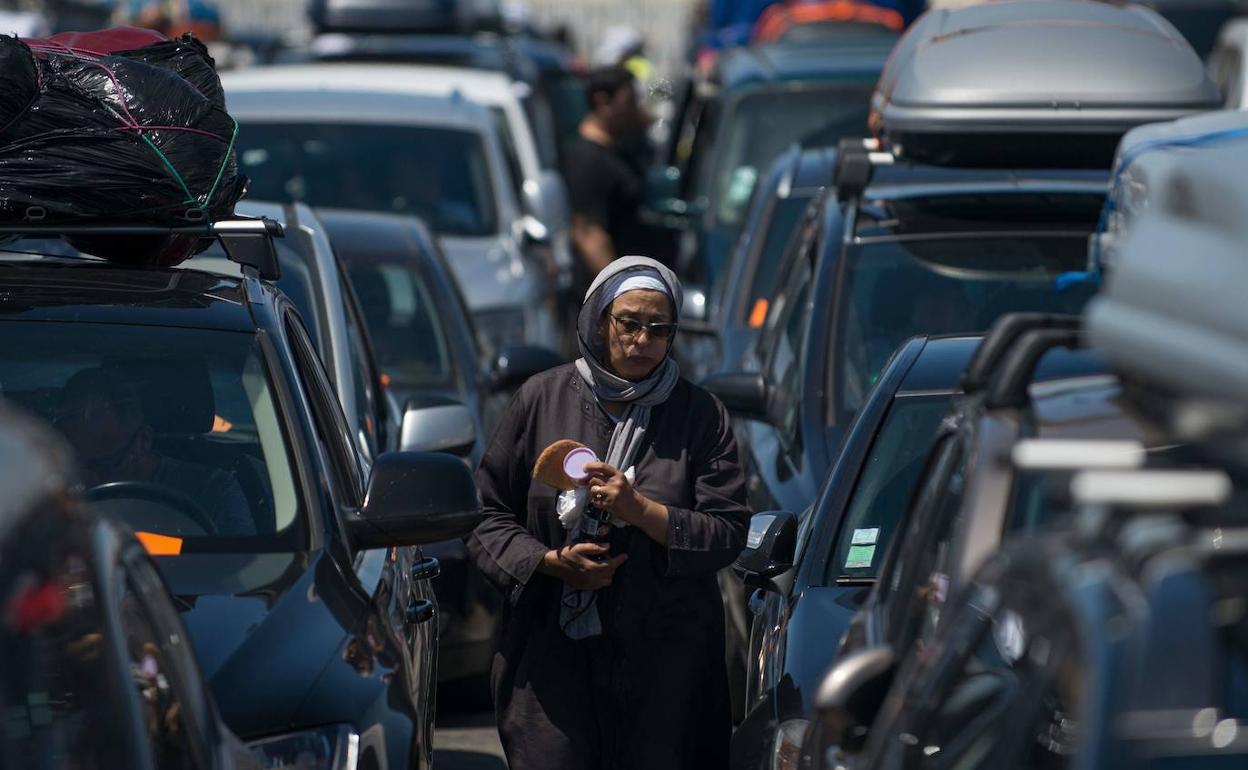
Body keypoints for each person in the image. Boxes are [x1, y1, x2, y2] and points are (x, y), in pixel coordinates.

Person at [468, 256, 750, 770]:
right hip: (553, 667)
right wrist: (550, 562)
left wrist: (639, 510)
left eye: (658, 329)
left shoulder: (700, 416)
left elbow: (728, 531)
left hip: (666, 666)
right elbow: (487, 515)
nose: (642, 340)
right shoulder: (540, 400)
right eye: (629, 323)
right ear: (599, 320)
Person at [55, 367, 254, 536]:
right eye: (73, 465)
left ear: (143, 441)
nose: (85, 480)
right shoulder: (48, 493)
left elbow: (243, 566)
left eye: (104, 465)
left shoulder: (212, 492)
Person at [562, 66, 653, 289]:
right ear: (603, 102)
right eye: (629, 102)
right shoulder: (588, 160)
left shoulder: (617, 149)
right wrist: (620, 289)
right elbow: (588, 233)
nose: (634, 110)